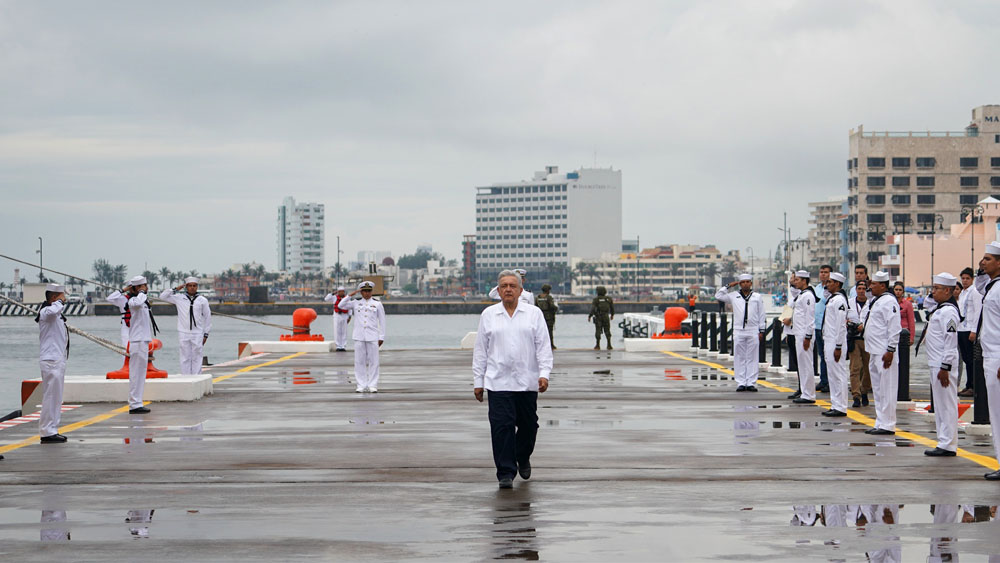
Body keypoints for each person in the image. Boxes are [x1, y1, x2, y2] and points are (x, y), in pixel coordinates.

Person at [472, 270, 552, 489]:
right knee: (501, 427)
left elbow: (543, 346)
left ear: (520, 290)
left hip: (527, 381)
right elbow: (480, 350)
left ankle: (522, 455)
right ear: (498, 291)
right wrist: (478, 382)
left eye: (512, 286)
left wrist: (544, 374)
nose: (508, 289)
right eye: (504, 286)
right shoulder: (489, 315)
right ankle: (505, 472)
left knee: (529, 427)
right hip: (498, 382)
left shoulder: (533, 314)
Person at [923, 273, 962, 457]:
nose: (933, 292)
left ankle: (948, 444)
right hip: (936, 364)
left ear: (947, 290)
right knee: (940, 405)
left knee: (947, 404)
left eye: (937, 288)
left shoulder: (949, 312)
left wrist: (945, 367)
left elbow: (950, 341)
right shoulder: (940, 309)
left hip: (942, 366)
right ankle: (943, 441)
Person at [106, 276, 158, 414]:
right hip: (137, 341)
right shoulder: (133, 301)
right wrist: (135, 291)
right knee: (135, 373)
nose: (146, 288)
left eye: (145, 286)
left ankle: (137, 402)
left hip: (143, 340)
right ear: (136, 288)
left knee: (141, 374)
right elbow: (136, 302)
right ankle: (134, 403)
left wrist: (141, 292)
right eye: (143, 286)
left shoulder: (142, 300)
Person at [862, 271, 901, 435]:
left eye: (874, 284)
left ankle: (888, 423)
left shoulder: (889, 302)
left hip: (885, 352)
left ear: (883, 286)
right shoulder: (877, 300)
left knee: (888, 389)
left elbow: (894, 327)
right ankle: (880, 421)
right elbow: (868, 295)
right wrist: (869, 283)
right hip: (874, 350)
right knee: (878, 389)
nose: (871, 287)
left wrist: (891, 349)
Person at [714, 274, 766, 392]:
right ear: (740, 284)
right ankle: (741, 382)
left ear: (751, 283)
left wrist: (761, 330)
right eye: (743, 282)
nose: (745, 284)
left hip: (753, 329)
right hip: (738, 330)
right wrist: (728, 286)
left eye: (748, 282)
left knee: (752, 357)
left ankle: (751, 382)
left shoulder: (757, 297)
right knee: (739, 357)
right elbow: (718, 295)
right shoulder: (734, 296)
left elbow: (761, 314)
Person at [976, 241, 1000, 480]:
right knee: (996, 413)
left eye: (988, 259)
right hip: (990, 354)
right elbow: (978, 286)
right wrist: (981, 271)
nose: (983, 262)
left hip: (998, 357)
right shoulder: (992, 286)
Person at [338, 281, 386, 393]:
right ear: (361, 292)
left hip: (373, 336)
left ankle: (373, 385)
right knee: (359, 362)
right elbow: (341, 305)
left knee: (374, 362)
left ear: (371, 292)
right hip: (359, 336)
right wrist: (350, 295)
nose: (367, 293)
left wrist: (382, 337)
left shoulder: (377, 304)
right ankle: (361, 385)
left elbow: (382, 321)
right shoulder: (355, 303)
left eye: (369, 291)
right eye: (364, 291)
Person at [36, 283, 69, 443]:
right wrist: (60, 302)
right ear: (54, 298)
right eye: (62, 295)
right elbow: (53, 309)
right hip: (51, 360)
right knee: (50, 395)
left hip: (57, 359)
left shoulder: (55, 315)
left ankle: (52, 429)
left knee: (56, 396)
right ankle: (47, 430)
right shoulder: (46, 312)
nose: (65, 299)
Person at [159, 276, 211, 375]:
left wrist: (206, 334)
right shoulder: (179, 298)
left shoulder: (202, 300)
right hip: (183, 332)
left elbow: (207, 318)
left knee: (197, 357)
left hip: (197, 332)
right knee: (185, 357)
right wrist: (175, 289)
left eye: (194, 286)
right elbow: (162, 296)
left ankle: (196, 377)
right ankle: (186, 377)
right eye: (190, 286)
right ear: (186, 287)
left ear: (197, 287)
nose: (192, 288)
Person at [783, 270, 817, 404]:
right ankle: (804, 392)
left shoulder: (808, 296)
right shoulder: (801, 295)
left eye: (797, 280)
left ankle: (809, 394)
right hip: (798, 333)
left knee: (807, 365)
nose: (794, 282)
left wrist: (808, 337)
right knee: (802, 365)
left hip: (804, 335)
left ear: (804, 281)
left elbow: (810, 318)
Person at [821, 273, 849, 417]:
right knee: (832, 374)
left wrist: (838, 346)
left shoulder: (839, 300)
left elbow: (841, 325)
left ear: (837, 284)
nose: (827, 284)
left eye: (830, 282)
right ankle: (835, 404)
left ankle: (841, 406)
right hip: (829, 340)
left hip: (836, 341)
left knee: (838, 374)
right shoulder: (832, 299)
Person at [847, 280, 872, 407]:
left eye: (864, 288)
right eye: (859, 288)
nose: (861, 290)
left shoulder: (872, 304)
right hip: (853, 338)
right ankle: (856, 395)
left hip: (868, 339)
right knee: (854, 368)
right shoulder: (849, 303)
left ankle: (864, 390)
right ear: (856, 290)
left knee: (868, 369)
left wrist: (864, 326)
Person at [957, 267, 980, 397]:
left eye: (967, 278)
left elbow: (977, 311)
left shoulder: (974, 292)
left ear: (972, 279)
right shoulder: (962, 293)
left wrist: (974, 330)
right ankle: (968, 384)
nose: (965, 281)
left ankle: (973, 385)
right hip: (961, 328)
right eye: (963, 278)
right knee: (965, 359)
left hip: (969, 329)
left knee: (971, 359)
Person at [814, 265, 832, 393]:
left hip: (827, 326)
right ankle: (823, 379)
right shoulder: (816, 288)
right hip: (817, 325)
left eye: (826, 272)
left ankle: (829, 381)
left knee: (828, 355)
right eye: (821, 272)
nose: (823, 274)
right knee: (821, 354)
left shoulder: (832, 289)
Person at [323, 286, 352, 352]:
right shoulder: (334, 297)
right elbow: (326, 299)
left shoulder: (347, 298)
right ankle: (338, 346)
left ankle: (343, 346)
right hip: (337, 315)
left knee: (344, 331)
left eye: (342, 291)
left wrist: (350, 316)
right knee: (337, 331)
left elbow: (350, 307)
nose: (341, 292)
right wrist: (333, 293)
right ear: (338, 292)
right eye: (340, 291)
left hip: (345, 315)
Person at [589, 286, 615, 350]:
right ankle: (609, 345)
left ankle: (597, 345)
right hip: (606, 316)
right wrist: (612, 315)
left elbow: (592, 309)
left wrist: (590, 316)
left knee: (598, 330)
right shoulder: (609, 299)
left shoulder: (596, 300)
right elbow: (612, 308)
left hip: (598, 317)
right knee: (607, 330)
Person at [534, 284, 558, 350]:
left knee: (540, 332)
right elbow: (552, 306)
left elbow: (535, 307)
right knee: (549, 331)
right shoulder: (549, 297)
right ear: (548, 290)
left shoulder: (538, 297)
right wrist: (556, 308)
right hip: (548, 316)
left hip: (540, 316)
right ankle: (551, 345)